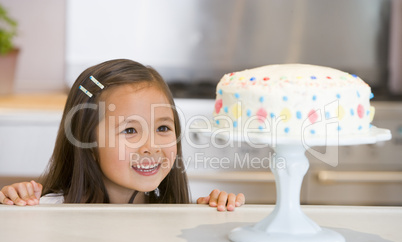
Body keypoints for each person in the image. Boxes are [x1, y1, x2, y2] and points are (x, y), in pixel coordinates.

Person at [0, 59, 244, 211]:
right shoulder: (48, 211)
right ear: (88, 143)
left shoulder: (174, 214)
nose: (151, 147)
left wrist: (215, 211)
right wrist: (16, 204)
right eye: (129, 130)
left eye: (162, 128)